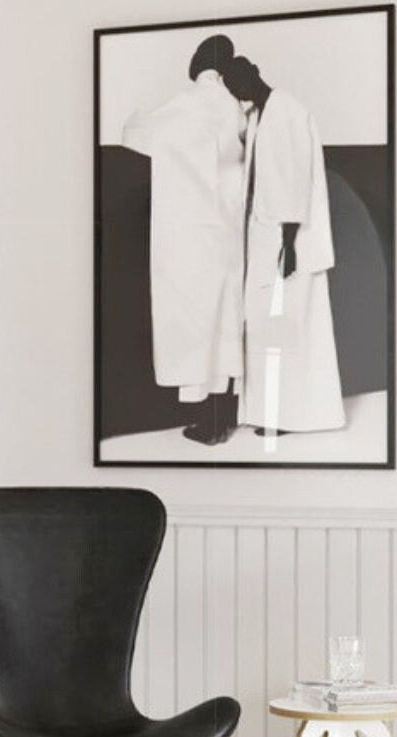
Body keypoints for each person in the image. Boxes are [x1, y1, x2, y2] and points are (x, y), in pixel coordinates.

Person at [122, 35, 246, 445]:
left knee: (192, 326)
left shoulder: (184, 104)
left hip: (185, 234)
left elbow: (134, 133)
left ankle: (207, 422)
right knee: (225, 322)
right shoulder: (234, 107)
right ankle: (224, 417)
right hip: (226, 232)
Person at [222, 56, 345, 435]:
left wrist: (288, 244)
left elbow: (296, 180)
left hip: (288, 240)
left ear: (252, 77)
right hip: (266, 237)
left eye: (238, 87)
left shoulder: (288, 111)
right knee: (264, 327)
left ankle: (288, 416)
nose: (237, 96)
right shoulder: (259, 115)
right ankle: (267, 412)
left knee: (287, 327)